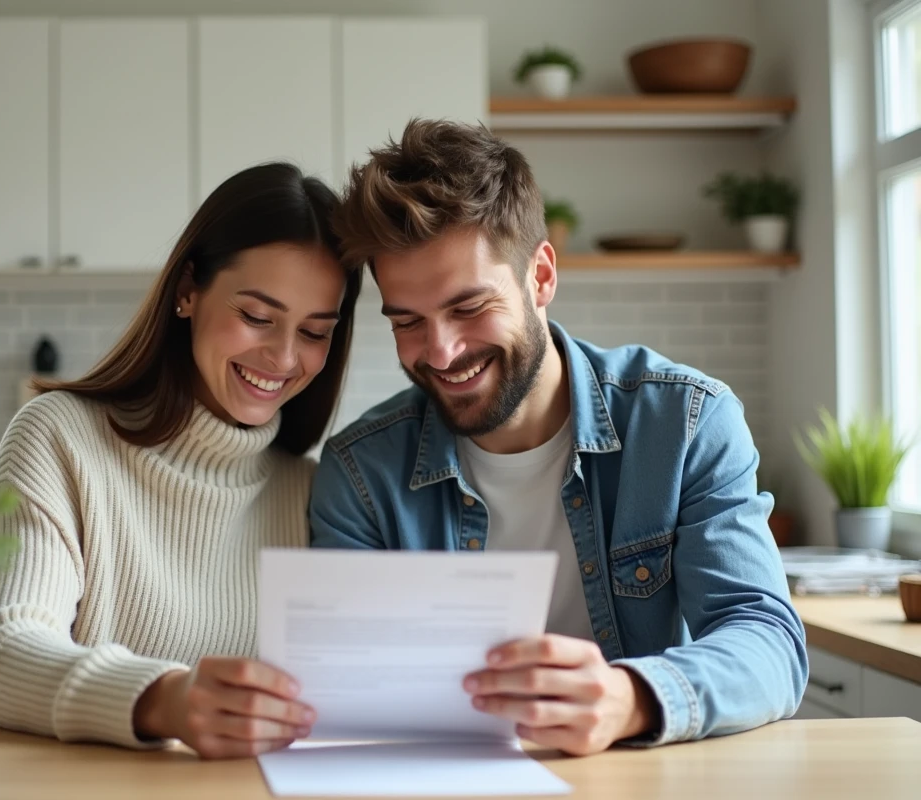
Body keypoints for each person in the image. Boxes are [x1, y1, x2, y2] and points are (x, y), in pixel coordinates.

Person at [310, 119, 807, 756]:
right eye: (407, 320)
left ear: (540, 277)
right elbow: (350, 687)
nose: (441, 351)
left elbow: (766, 639)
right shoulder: (360, 473)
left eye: (467, 308)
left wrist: (631, 697)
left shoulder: (684, 423)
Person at [0, 163, 362, 759]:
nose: (282, 356)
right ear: (187, 292)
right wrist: (165, 699)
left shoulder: (310, 492)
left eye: (315, 332)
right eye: (256, 317)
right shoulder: (59, 438)